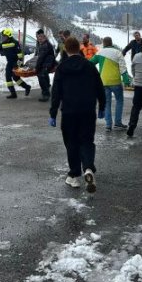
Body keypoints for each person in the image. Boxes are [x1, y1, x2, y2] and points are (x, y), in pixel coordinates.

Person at [49, 36, 105, 192]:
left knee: (71, 142)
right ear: (79, 48)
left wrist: (53, 113)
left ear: (66, 49)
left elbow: (56, 92)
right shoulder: (89, 66)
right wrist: (102, 106)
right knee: (87, 140)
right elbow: (99, 86)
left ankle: (74, 175)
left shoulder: (61, 68)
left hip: (69, 111)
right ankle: (88, 168)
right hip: (87, 110)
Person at [90, 36, 130, 131]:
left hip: (103, 82)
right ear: (111, 43)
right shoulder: (117, 52)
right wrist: (126, 80)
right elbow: (123, 68)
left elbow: (90, 63)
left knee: (107, 103)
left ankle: (108, 125)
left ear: (103, 43)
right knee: (119, 101)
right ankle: (118, 123)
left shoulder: (100, 52)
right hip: (115, 81)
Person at [0, 28, 31, 99]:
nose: (3, 38)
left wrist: (19, 64)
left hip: (16, 63)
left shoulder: (15, 43)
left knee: (15, 78)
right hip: (9, 63)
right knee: (8, 78)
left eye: (4, 36)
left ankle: (27, 87)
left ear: (9, 36)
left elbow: (20, 55)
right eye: (3, 36)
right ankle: (13, 93)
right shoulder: (3, 44)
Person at [34, 28, 55, 102]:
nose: (39, 39)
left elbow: (41, 58)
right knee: (44, 76)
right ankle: (47, 87)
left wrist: (37, 67)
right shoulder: (44, 44)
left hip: (46, 63)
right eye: (38, 38)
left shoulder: (44, 45)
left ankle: (46, 94)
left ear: (44, 37)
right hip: (47, 63)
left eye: (40, 38)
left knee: (41, 76)